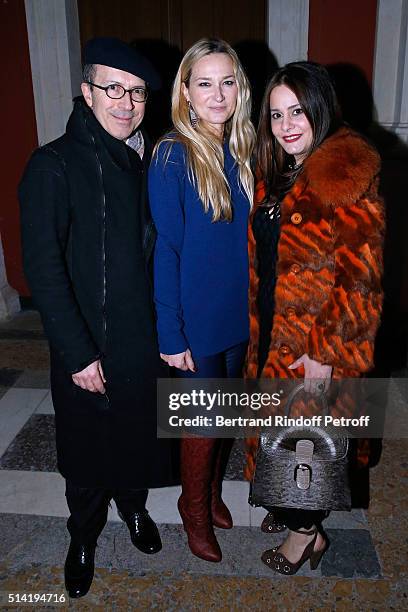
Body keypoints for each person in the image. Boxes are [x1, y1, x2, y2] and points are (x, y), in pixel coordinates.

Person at [19, 37, 178, 598]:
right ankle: (82, 536)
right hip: (86, 345)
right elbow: (43, 269)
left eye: (136, 92)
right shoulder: (53, 164)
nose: (126, 102)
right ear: (86, 92)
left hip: (143, 338)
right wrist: (77, 352)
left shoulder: (151, 157)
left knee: (137, 439)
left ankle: (134, 509)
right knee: (88, 454)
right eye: (113, 88)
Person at [245, 61, 384, 574]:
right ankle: (286, 503)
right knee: (279, 433)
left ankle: (307, 535)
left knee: (307, 441)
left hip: (312, 343)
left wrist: (325, 351)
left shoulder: (345, 174)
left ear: (320, 108)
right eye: (276, 114)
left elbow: (360, 281)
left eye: (297, 111)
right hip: (270, 331)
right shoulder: (277, 171)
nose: (286, 126)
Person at [148, 38, 255, 562]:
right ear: (185, 92)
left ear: (240, 89)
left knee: (225, 419)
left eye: (227, 81)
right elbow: (166, 249)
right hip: (195, 321)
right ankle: (193, 511)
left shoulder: (243, 148)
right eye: (204, 83)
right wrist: (170, 334)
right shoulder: (173, 153)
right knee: (202, 425)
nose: (217, 94)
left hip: (239, 316)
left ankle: (211, 495)